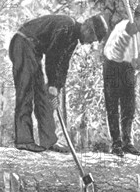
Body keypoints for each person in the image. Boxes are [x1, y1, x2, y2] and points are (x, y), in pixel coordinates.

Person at [9, 14, 109, 153]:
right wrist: (52, 85)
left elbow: (63, 66)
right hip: (23, 43)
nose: (90, 42)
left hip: (33, 50)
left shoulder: (72, 40)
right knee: (26, 92)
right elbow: (53, 56)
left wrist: (57, 87)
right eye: (92, 38)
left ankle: (48, 141)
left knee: (43, 96)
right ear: (88, 28)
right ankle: (24, 140)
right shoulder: (66, 26)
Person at [102, 3, 140, 157]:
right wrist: (126, 36)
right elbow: (112, 53)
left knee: (129, 106)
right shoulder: (122, 27)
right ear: (136, 18)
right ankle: (116, 143)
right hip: (112, 67)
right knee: (112, 106)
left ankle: (127, 142)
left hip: (128, 70)